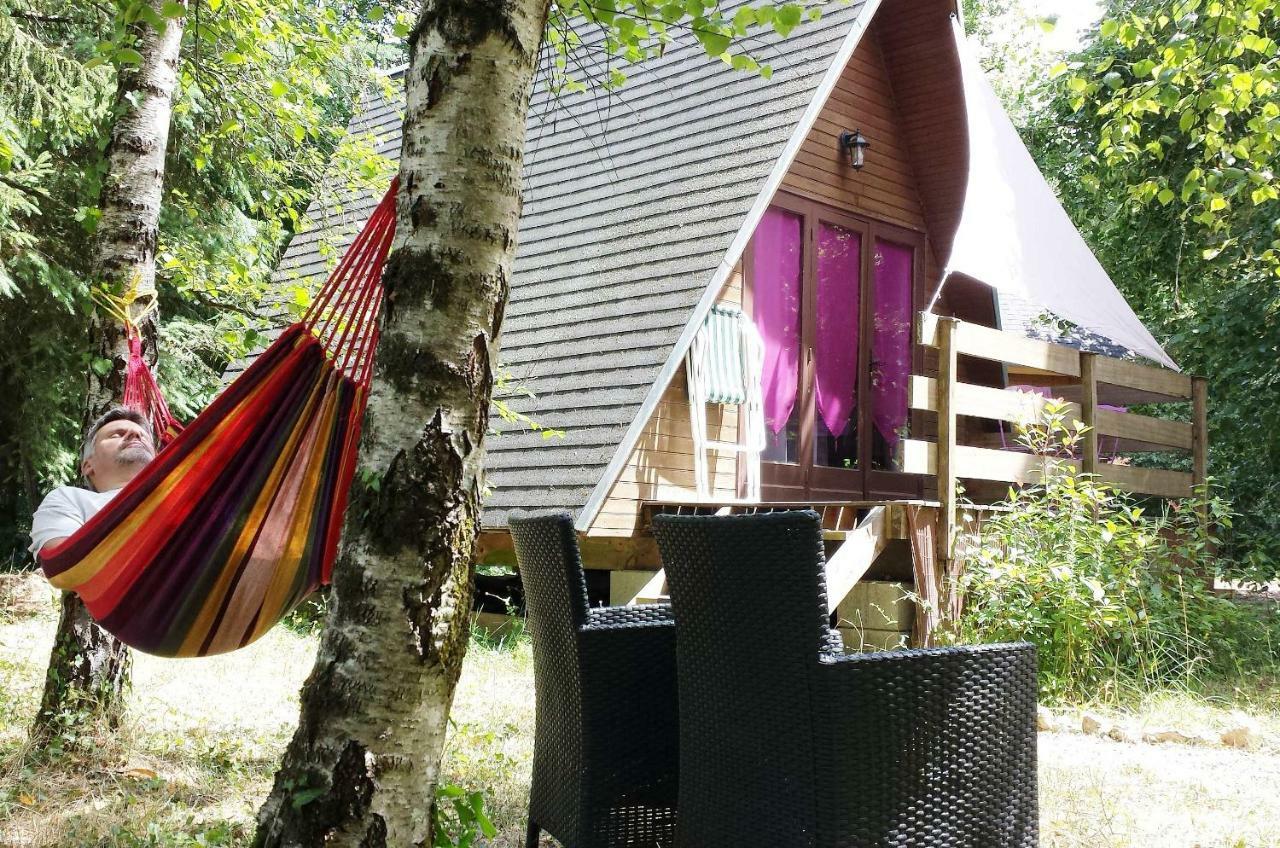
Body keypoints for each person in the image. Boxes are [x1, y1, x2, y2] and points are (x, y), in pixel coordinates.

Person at [29, 407, 157, 557]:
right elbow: (66, 562)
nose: (136, 434)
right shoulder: (70, 499)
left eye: (144, 437)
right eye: (117, 434)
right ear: (88, 466)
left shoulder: (181, 490)